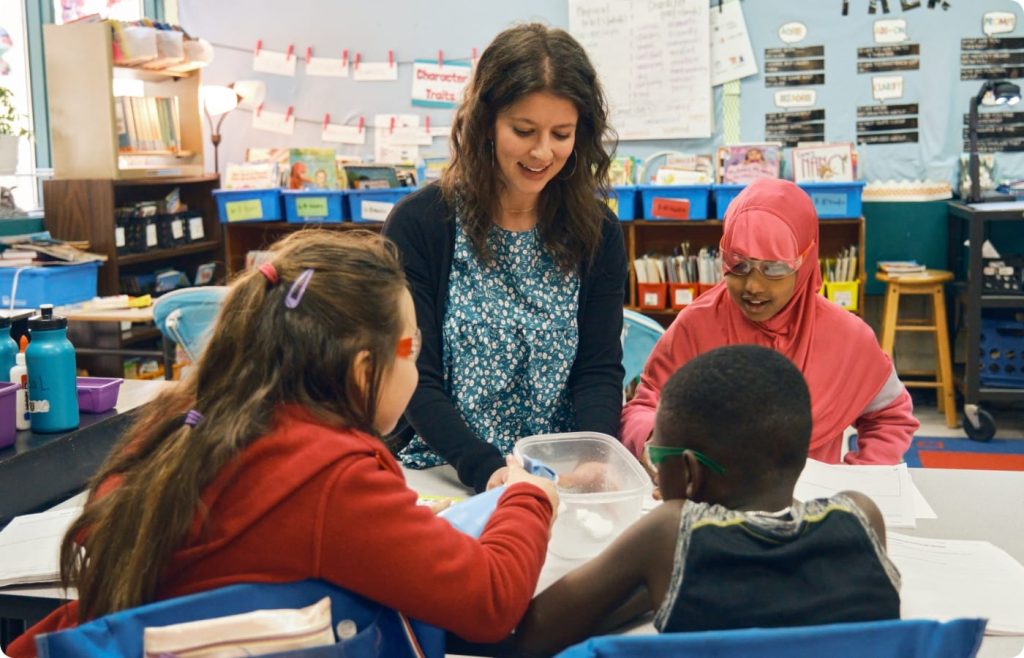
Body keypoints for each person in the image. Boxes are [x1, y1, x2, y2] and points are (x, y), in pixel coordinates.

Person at [7, 230, 559, 658]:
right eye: (412, 349)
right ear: (365, 371)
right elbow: (490, 599)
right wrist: (528, 496)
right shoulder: (331, 477)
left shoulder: (191, 424)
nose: (419, 366)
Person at [516, 345, 901, 657]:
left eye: (656, 455)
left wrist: (645, 580)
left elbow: (534, 635)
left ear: (688, 474)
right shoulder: (861, 515)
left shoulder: (669, 532)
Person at [382, 23, 627, 493]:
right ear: (485, 123)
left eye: (562, 133)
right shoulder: (421, 225)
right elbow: (415, 375)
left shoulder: (598, 232)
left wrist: (597, 456)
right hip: (445, 467)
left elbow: (598, 370)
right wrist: (488, 469)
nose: (542, 152)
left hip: (561, 473)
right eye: (524, 130)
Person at [621, 178, 918, 465]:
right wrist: (652, 442)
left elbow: (890, 415)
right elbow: (644, 406)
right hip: (712, 502)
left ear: (805, 263)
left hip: (808, 506)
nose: (753, 286)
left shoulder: (847, 338)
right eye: (738, 265)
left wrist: (863, 475)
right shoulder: (696, 326)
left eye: (774, 268)